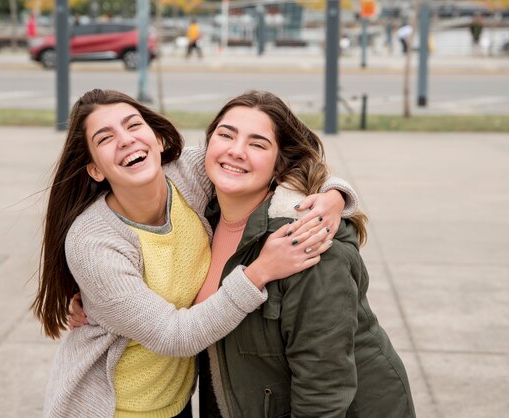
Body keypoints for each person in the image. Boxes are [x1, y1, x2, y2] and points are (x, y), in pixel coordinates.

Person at [34, 89, 359, 417]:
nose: (125, 140)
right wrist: (260, 271)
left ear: (158, 140)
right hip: (116, 408)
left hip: (178, 403)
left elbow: (273, 160)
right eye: (105, 138)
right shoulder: (93, 243)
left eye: (133, 125)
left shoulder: (189, 173)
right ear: (95, 170)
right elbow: (173, 336)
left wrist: (334, 196)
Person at [194, 91, 415, 417]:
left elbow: (322, 388)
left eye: (257, 144)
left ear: (279, 163)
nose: (236, 150)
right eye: (226, 135)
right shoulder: (198, 218)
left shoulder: (305, 242)